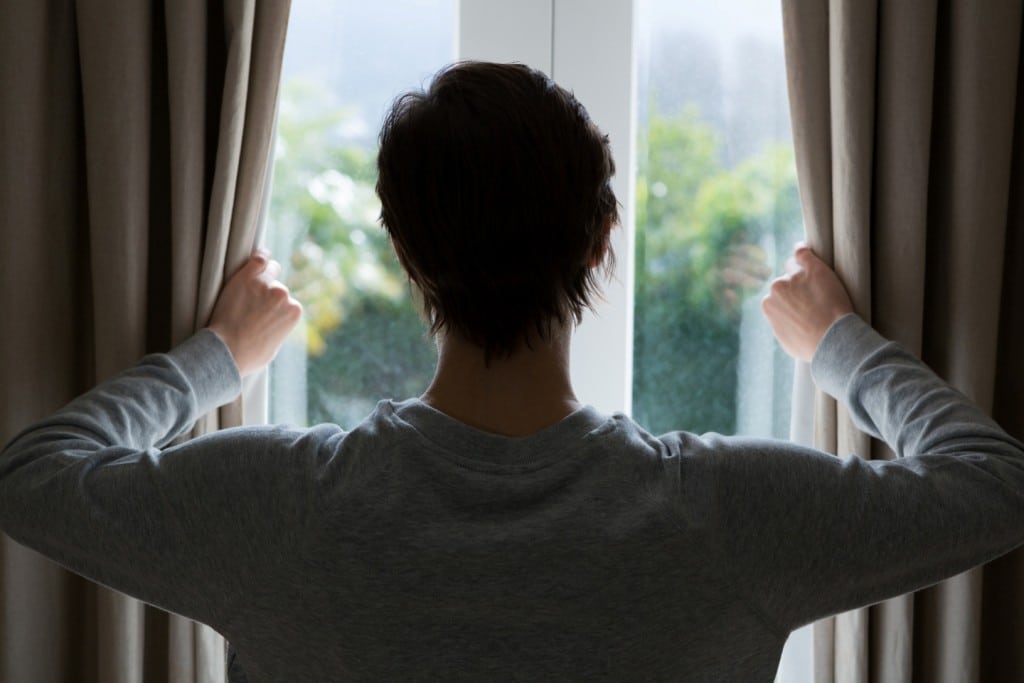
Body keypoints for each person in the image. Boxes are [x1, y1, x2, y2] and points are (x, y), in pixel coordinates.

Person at [1, 61, 1022, 682]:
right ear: (599, 241)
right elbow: (995, 483)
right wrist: (839, 343)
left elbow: (35, 473)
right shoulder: (724, 510)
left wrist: (214, 357)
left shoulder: (280, 503)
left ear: (405, 254)